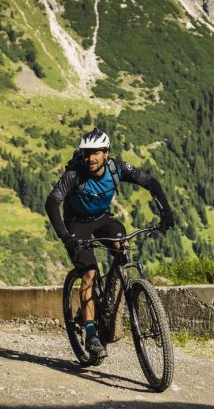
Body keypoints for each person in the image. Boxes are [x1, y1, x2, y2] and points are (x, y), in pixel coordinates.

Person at [45, 127, 174, 360]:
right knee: (90, 273)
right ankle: (92, 334)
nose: (90, 158)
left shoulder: (117, 168)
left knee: (123, 249)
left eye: (96, 152)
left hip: (103, 219)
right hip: (77, 224)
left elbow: (151, 182)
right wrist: (66, 237)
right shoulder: (74, 175)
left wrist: (166, 213)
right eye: (86, 153)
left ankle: (109, 298)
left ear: (106, 152)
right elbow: (52, 202)